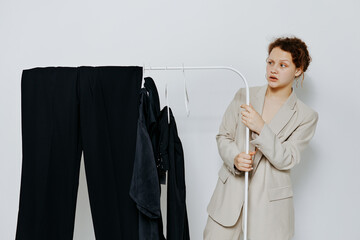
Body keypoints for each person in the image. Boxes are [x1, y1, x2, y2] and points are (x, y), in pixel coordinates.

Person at [203, 36, 319, 240]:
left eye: (283, 65)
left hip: (269, 213)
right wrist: (235, 159)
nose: (273, 70)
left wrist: (261, 127)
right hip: (227, 203)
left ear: (298, 69)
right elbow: (224, 136)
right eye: (270, 62)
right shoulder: (243, 95)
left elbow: (287, 158)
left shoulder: (306, 116)